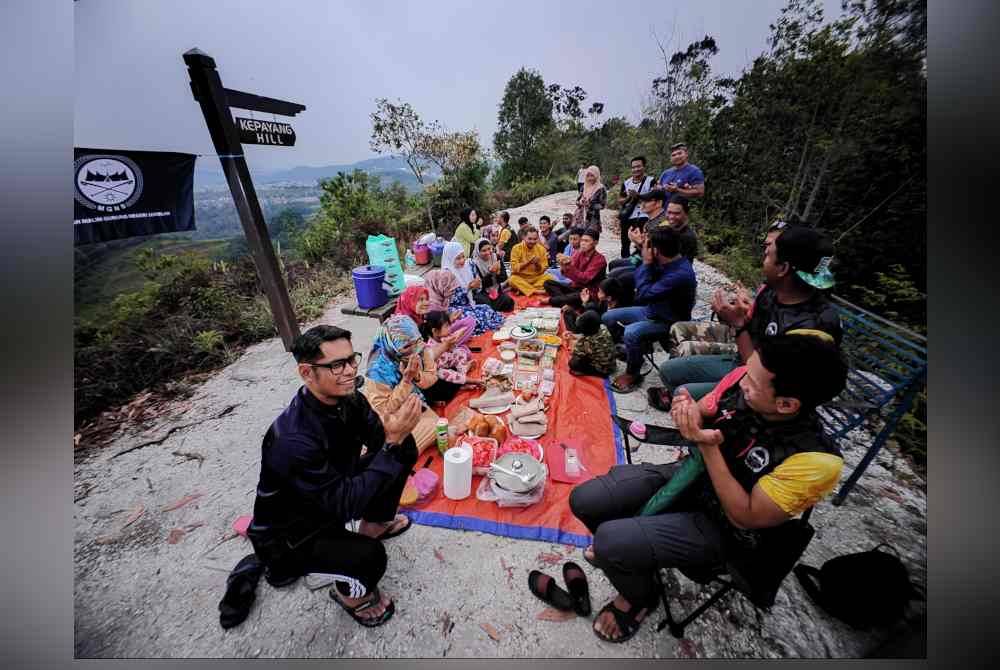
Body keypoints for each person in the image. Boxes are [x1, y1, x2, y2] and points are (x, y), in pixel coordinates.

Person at [569, 332, 847, 642]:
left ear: (786, 404)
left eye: (753, 383)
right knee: (585, 499)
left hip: (725, 527)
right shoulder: (743, 377)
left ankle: (639, 598)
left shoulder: (816, 460)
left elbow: (746, 516)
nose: (742, 380)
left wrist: (708, 446)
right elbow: (702, 412)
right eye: (747, 371)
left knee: (609, 541)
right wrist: (686, 412)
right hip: (689, 477)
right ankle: (634, 558)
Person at [246, 325, 422, 628]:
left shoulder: (350, 399)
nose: (351, 370)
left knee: (402, 447)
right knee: (370, 559)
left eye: (351, 359)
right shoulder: (293, 438)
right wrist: (390, 444)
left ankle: (375, 523)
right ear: (307, 373)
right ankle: (349, 597)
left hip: (330, 494)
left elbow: (380, 440)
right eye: (337, 365)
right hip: (293, 534)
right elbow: (345, 505)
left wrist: (395, 431)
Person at [648, 222, 841, 410]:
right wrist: (735, 315)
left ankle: (705, 417)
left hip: (761, 393)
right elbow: (753, 334)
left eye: (767, 254)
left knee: (682, 393)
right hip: (741, 360)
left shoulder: (812, 329)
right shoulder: (774, 292)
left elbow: (760, 377)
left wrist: (738, 324)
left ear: (783, 268)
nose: (763, 258)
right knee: (668, 371)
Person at [602, 227, 696, 393]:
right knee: (608, 317)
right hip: (653, 310)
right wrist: (641, 248)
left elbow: (643, 294)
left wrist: (646, 262)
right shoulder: (668, 259)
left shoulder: (680, 274)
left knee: (631, 332)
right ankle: (634, 351)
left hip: (668, 320)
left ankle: (633, 373)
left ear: (657, 251)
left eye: (649, 246)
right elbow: (644, 275)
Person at [360, 315, 445, 451]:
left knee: (442, 429)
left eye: (416, 341)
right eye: (406, 346)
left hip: (413, 402)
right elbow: (384, 410)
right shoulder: (378, 370)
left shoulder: (420, 347)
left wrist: (417, 376)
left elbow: (432, 376)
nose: (414, 350)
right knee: (429, 434)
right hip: (390, 420)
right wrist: (406, 381)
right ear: (391, 345)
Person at [425, 243, 504, 335]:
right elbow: (451, 300)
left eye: (463, 257)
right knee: (472, 318)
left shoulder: (468, 266)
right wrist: (468, 288)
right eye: (458, 258)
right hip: (452, 307)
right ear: (450, 259)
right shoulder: (447, 275)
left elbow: (477, 289)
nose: (462, 260)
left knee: (486, 309)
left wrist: (477, 285)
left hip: (468, 303)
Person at [395, 285, 475, 355]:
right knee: (463, 351)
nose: (426, 303)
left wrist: (448, 322)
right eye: (421, 300)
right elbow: (417, 353)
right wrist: (445, 345)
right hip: (426, 355)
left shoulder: (420, 315)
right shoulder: (403, 324)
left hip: (435, 342)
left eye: (426, 299)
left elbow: (434, 329)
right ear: (409, 301)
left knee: (469, 321)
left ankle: (452, 347)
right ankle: (451, 348)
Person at [543, 228, 607, 308]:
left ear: (595, 243)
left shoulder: (600, 259)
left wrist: (569, 267)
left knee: (576, 296)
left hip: (589, 292)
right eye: (582, 240)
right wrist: (563, 265)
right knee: (548, 283)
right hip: (575, 287)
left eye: (586, 241)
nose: (583, 243)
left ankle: (556, 301)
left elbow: (585, 279)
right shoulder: (578, 253)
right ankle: (566, 302)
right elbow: (567, 273)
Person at [420, 310, 474, 387]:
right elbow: (436, 365)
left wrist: (454, 343)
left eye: (449, 325)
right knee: (444, 373)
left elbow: (452, 350)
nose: (450, 328)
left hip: (448, 361)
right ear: (435, 331)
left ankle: (463, 371)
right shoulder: (430, 347)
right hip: (440, 369)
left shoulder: (442, 337)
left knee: (461, 351)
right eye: (446, 326)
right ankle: (463, 381)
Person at [617, 156, 656, 258]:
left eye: (638, 166)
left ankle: (643, 260)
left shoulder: (650, 181)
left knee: (643, 240)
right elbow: (620, 200)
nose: (636, 169)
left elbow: (655, 196)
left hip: (644, 215)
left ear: (644, 167)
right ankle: (625, 261)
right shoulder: (626, 183)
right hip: (628, 215)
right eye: (633, 167)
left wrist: (639, 196)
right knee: (625, 241)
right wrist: (628, 198)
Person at [564, 275, 633, 333]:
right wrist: (585, 302)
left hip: (604, 333)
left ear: (609, 298)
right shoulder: (605, 302)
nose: (598, 293)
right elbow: (595, 310)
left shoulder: (618, 312)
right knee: (568, 312)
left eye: (600, 292)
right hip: (597, 324)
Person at [565, 310, 617, 378]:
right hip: (611, 363)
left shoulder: (586, 341)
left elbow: (574, 353)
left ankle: (592, 373)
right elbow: (586, 335)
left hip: (603, 369)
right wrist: (573, 335)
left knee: (572, 364)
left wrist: (570, 341)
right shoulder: (602, 327)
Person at [507, 225, 555, 296]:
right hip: (521, 278)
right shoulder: (516, 248)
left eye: (535, 239)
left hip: (536, 278)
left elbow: (543, 269)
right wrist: (528, 262)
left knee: (550, 278)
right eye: (529, 239)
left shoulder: (541, 249)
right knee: (512, 279)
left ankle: (523, 289)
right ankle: (536, 291)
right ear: (524, 237)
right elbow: (514, 268)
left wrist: (537, 264)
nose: (532, 241)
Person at [469, 238, 515, 312]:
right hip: (483, 293)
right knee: (484, 303)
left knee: (509, 302)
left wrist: (498, 272)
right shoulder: (474, 264)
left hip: (497, 291)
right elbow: (479, 286)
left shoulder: (496, 257)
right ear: (478, 252)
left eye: (489, 249)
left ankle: (494, 308)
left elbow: (504, 278)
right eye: (484, 251)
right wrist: (491, 273)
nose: (488, 252)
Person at [575, 165, 607, 231]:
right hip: (580, 218)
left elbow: (602, 205)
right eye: (588, 176)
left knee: (590, 236)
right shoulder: (584, 187)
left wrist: (590, 205)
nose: (590, 178)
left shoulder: (601, 188)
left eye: (592, 176)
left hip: (593, 219)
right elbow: (577, 201)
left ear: (597, 176)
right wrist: (581, 202)